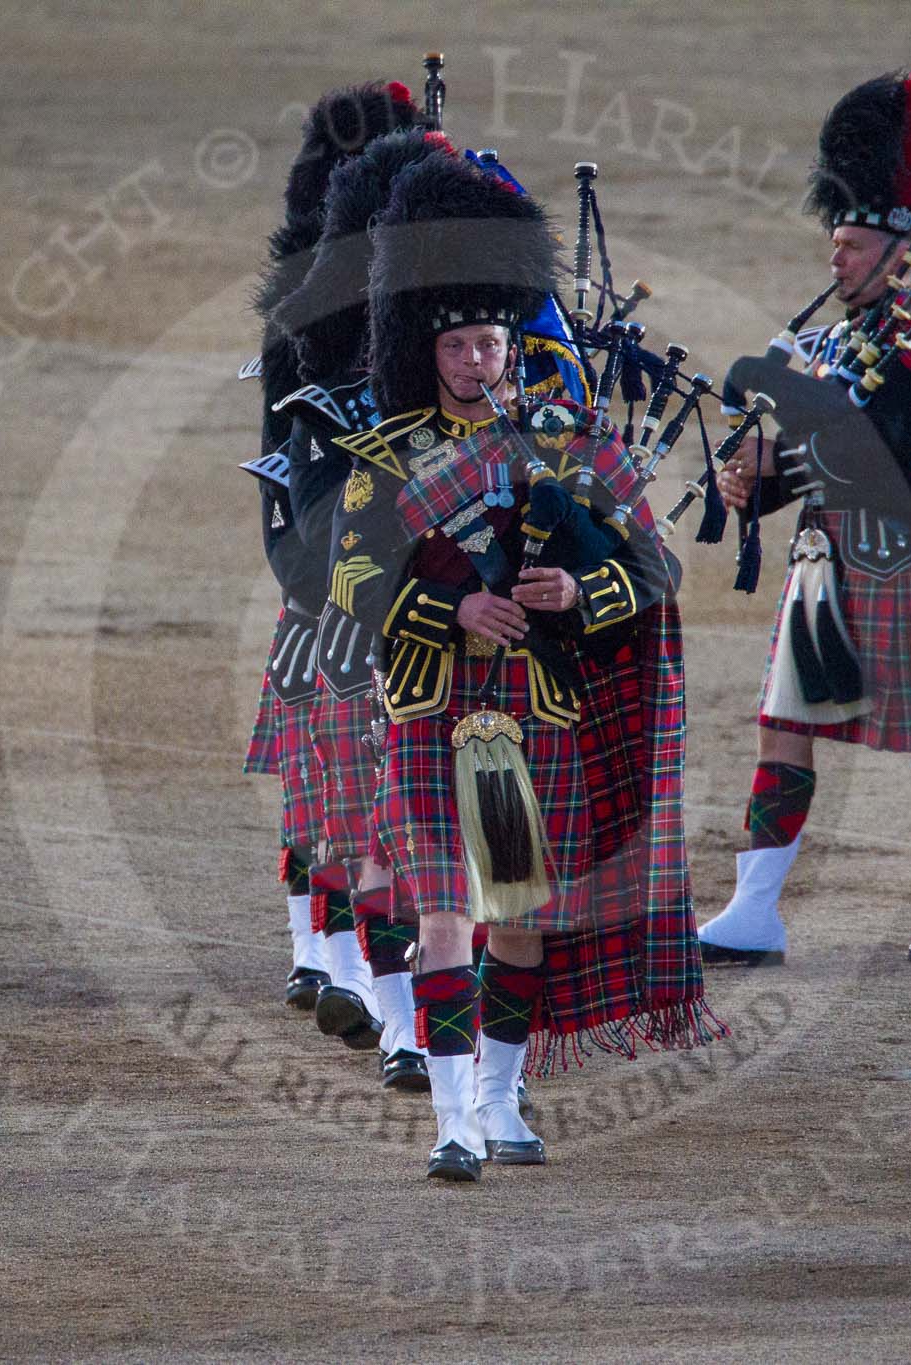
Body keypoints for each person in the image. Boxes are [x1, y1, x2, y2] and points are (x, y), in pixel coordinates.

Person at [334, 151, 712, 1180]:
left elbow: (655, 564)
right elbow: (352, 579)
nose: (473, 360)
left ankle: (500, 1103)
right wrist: (455, 601)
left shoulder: (566, 446)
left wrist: (576, 596)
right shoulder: (389, 454)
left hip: (526, 717)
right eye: (455, 343)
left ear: (511, 342)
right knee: (445, 918)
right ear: (428, 345)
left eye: (489, 341)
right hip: (430, 706)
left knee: (519, 925)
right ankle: (450, 1122)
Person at [707, 72, 911, 965]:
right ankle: (754, 906)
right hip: (821, 565)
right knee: (785, 731)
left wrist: (790, 420)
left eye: (853, 244)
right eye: (835, 242)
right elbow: (822, 458)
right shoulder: (842, 341)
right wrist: (756, 478)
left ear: (900, 250)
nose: (837, 259)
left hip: (896, 564)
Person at [271, 125, 461, 1087]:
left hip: (457, 643)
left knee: (433, 845)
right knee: (347, 817)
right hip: (356, 619)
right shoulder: (314, 381)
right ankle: (372, 995)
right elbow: (297, 523)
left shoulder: (467, 382)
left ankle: (429, 1019)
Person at [241, 81, 416, 1019]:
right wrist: (319, 582)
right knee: (325, 785)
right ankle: (322, 945)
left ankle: (360, 957)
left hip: (416, 587)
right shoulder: (299, 331)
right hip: (325, 576)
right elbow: (284, 471)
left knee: (385, 793)